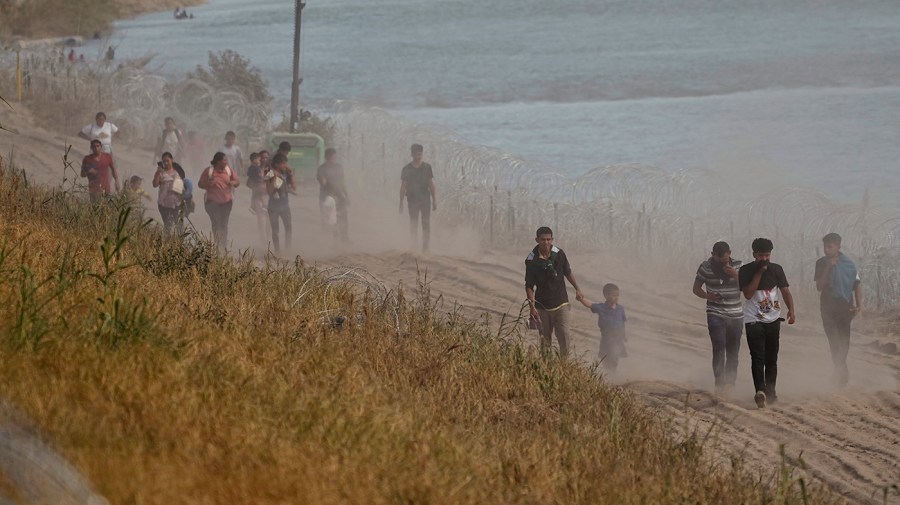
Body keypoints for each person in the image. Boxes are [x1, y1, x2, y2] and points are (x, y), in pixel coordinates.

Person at [739, 238, 795, 409]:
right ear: (754, 254)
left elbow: (785, 291)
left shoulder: (777, 269)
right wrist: (759, 273)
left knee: (772, 358)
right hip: (753, 320)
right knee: (757, 357)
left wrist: (791, 310)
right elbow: (748, 294)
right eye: (761, 255)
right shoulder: (746, 270)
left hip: (773, 319)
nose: (764, 258)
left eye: (767, 255)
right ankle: (760, 391)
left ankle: (771, 392)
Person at [693, 241, 744, 397]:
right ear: (713, 254)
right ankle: (719, 383)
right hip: (715, 312)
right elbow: (696, 288)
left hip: (735, 314)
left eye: (724, 259)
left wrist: (735, 275)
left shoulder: (739, 266)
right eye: (718, 259)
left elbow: (748, 287)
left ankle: (730, 384)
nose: (722, 262)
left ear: (729, 253)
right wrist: (708, 296)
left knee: (733, 351)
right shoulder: (705, 267)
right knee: (719, 347)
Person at [525, 226, 584, 358]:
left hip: (561, 302)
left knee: (564, 334)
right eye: (543, 240)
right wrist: (532, 307)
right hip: (542, 306)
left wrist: (577, 289)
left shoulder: (559, 254)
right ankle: (547, 367)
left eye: (548, 239)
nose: (546, 243)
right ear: (537, 240)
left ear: (552, 240)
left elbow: (568, 273)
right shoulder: (531, 260)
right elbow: (529, 285)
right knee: (544, 339)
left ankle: (564, 365)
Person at [814, 233, 863, 388]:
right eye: (825, 247)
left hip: (845, 307)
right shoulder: (821, 263)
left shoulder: (849, 264)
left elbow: (857, 285)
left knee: (844, 342)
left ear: (838, 247)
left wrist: (858, 305)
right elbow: (819, 286)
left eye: (830, 246)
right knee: (834, 341)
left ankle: (839, 371)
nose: (827, 250)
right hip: (828, 307)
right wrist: (828, 267)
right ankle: (842, 374)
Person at [578, 283, 627, 374]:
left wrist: (624, 335)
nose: (616, 298)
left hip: (617, 339)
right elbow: (590, 304)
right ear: (606, 295)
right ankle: (608, 374)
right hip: (606, 339)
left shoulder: (620, 309)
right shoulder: (602, 307)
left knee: (614, 358)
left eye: (617, 295)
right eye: (614, 295)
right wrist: (581, 299)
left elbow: (623, 322)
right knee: (605, 358)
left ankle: (613, 374)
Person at [399, 144, 437, 252]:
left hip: (425, 199)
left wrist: (434, 200)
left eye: (420, 153)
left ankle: (426, 248)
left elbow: (431, 184)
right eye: (416, 153)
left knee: (426, 224)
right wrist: (400, 202)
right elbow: (403, 186)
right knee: (413, 223)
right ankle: (414, 246)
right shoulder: (406, 169)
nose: (418, 156)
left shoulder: (427, 167)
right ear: (412, 154)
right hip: (412, 200)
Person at [198, 152, 240, 249]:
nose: (226, 162)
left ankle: (223, 245)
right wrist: (208, 183)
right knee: (216, 222)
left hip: (227, 202)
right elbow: (200, 184)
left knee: (224, 224)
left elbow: (237, 182)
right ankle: (217, 244)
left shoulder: (228, 170)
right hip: (212, 202)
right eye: (224, 160)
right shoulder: (209, 171)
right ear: (218, 162)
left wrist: (233, 182)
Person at [317, 147, 349, 243]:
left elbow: (342, 182)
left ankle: (345, 239)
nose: (334, 160)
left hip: (339, 195)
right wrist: (326, 182)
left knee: (344, 216)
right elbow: (322, 182)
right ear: (326, 158)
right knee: (333, 219)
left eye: (335, 158)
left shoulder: (339, 167)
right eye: (332, 158)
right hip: (328, 197)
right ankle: (335, 241)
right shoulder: (322, 169)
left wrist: (347, 195)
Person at [265, 153, 296, 253]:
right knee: (275, 230)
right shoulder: (270, 173)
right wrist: (276, 180)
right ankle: (277, 251)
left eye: (286, 163)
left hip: (285, 206)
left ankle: (288, 249)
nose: (285, 166)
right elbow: (269, 191)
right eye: (283, 164)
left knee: (288, 227)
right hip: (273, 207)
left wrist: (291, 175)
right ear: (276, 164)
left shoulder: (286, 173)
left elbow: (294, 189)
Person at [152, 152, 184, 234]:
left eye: (167, 161)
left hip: (176, 203)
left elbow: (184, 185)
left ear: (172, 160)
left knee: (179, 226)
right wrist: (157, 173)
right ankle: (167, 244)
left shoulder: (178, 171)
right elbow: (155, 184)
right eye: (164, 161)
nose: (166, 163)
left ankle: (180, 244)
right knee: (168, 226)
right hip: (163, 204)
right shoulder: (161, 172)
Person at [81, 139, 120, 204]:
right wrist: (88, 171)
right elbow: (82, 174)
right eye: (94, 146)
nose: (96, 148)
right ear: (91, 148)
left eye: (97, 146)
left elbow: (113, 169)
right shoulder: (87, 159)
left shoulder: (107, 157)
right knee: (96, 209)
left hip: (106, 189)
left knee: (110, 207)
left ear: (101, 147)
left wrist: (117, 181)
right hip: (94, 191)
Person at [246, 152, 270, 244]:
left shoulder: (269, 170)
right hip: (258, 196)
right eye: (262, 158)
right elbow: (249, 184)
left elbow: (277, 182)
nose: (264, 159)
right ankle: (263, 240)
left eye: (266, 158)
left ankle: (269, 239)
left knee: (269, 220)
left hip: (269, 197)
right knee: (262, 219)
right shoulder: (255, 169)